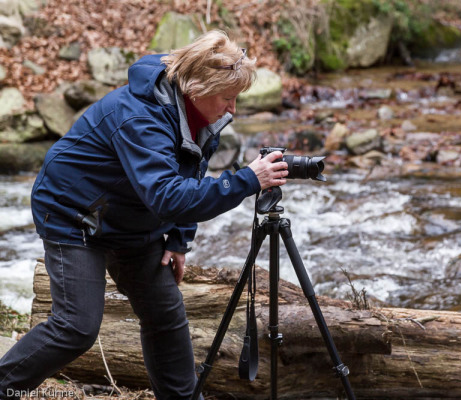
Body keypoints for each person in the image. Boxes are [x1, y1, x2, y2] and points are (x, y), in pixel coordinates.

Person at [0, 30, 288, 399]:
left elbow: (190, 173)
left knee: (165, 315)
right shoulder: (140, 116)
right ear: (197, 90)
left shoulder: (199, 115)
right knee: (76, 326)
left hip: (133, 215)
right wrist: (249, 179)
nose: (232, 109)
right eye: (228, 98)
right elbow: (167, 196)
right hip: (73, 213)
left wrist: (180, 238)